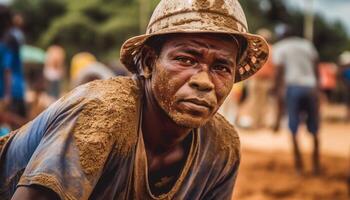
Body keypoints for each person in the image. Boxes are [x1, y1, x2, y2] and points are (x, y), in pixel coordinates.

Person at [0, 0, 269, 199]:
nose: (204, 81)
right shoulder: (102, 114)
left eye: (221, 67)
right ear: (150, 62)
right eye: (186, 59)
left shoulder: (222, 146)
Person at [273, 29, 320, 175]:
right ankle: (316, 165)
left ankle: (299, 167)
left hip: (293, 88)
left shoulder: (281, 47)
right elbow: (316, 67)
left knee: (293, 127)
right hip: (311, 87)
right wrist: (318, 88)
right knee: (314, 129)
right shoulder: (307, 45)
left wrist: (276, 88)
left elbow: (279, 71)